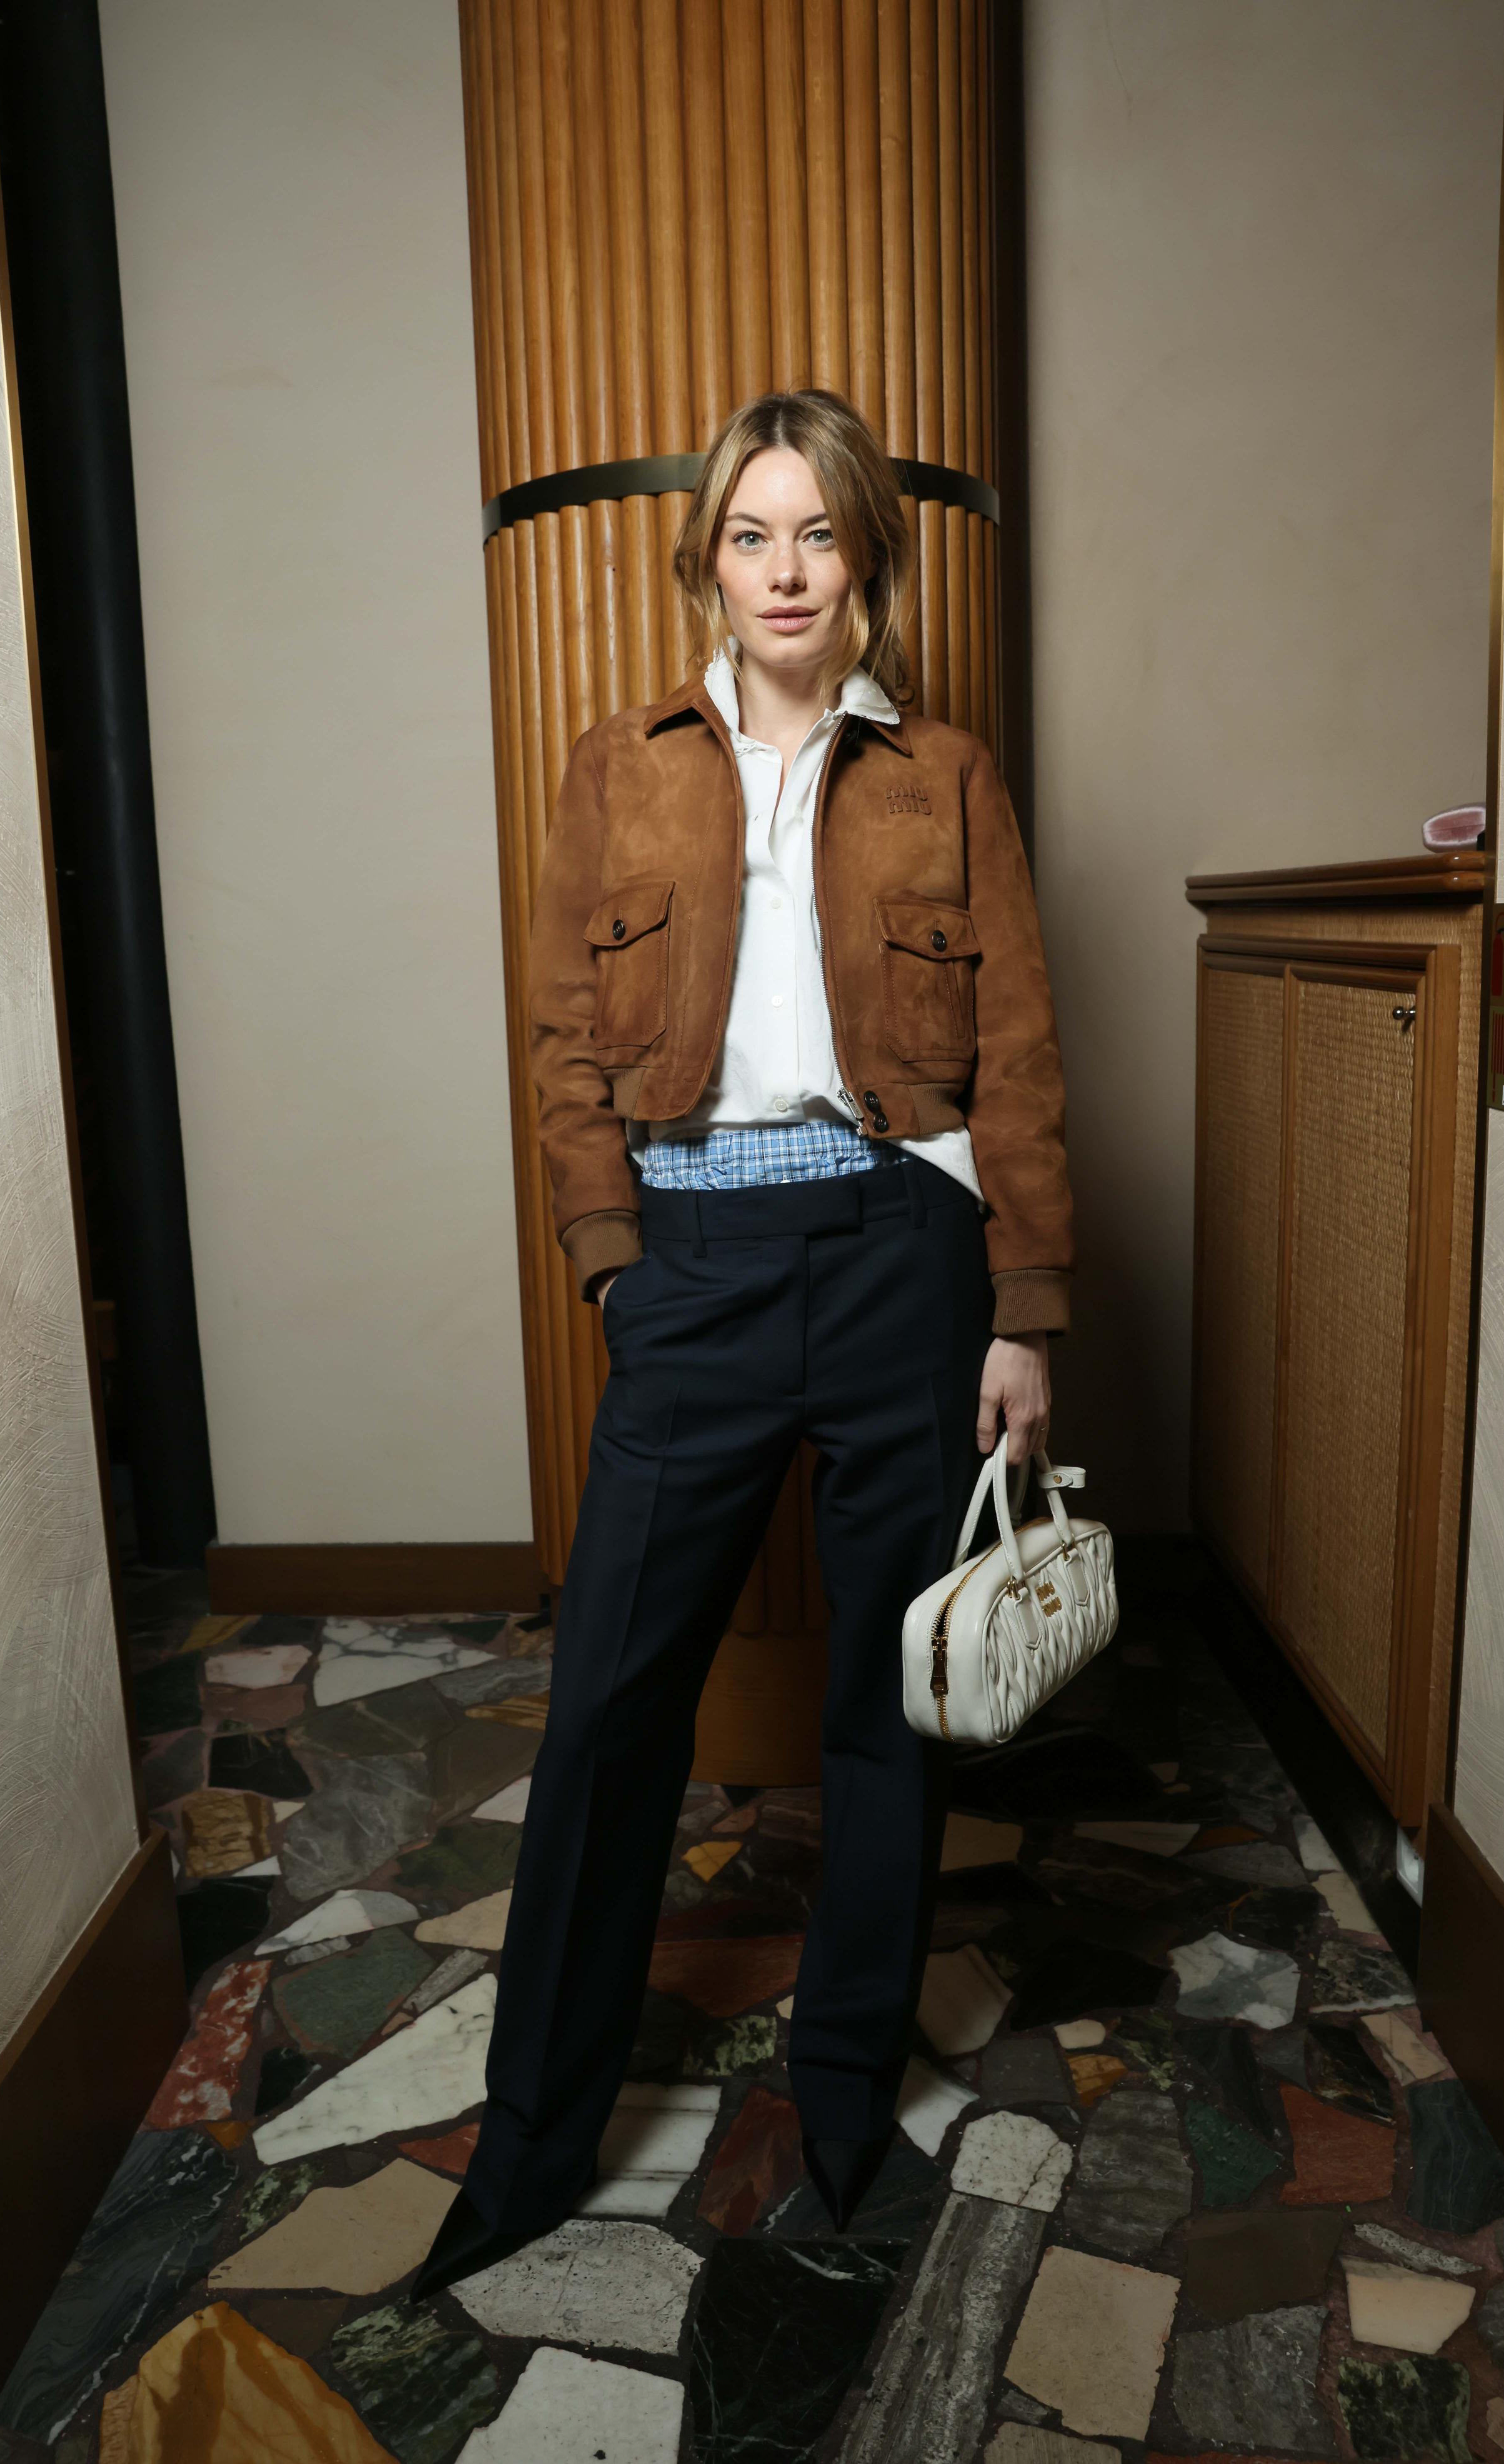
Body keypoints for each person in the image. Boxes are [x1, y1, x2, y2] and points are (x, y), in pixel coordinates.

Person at [414, 387, 1073, 2296]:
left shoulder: (947, 775)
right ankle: (534, 2138)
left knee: (887, 1703)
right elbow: (563, 1046)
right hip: (693, 1266)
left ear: (867, 558)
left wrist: (1025, 1309)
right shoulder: (616, 769)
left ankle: (845, 2096)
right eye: (750, 535)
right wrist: (616, 1267)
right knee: (612, 1707)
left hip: (901, 1261)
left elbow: (1022, 1054)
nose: (786, 571)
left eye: (820, 534)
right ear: (707, 559)